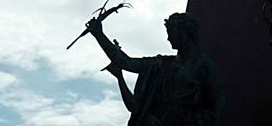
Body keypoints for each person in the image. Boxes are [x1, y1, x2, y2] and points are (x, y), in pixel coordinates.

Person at [86, 11, 225, 126]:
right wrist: (99, 35)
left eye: (171, 32)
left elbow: (217, 106)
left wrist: (193, 120)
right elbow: (125, 62)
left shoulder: (204, 65)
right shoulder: (160, 64)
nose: (168, 38)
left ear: (183, 33)